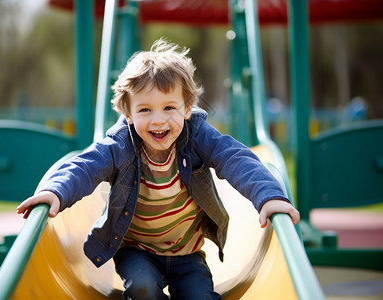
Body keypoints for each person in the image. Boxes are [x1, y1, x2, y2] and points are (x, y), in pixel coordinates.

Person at [17, 39, 300, 300]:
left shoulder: (198, 135)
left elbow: (236, 158)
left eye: (169, 107)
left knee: (198, 296)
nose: (158, 120)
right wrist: (54, 191)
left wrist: (269, 195)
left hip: (187, 253)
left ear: (187, 108)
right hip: (136, 251)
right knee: (142, 289)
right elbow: (85, 166)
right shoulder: (121, 145)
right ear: (127, 113)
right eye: (144, 110)